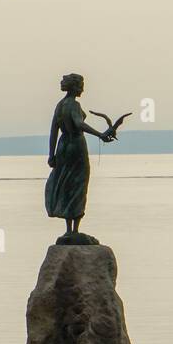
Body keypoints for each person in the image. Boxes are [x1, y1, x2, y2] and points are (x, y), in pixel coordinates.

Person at [45, 73, 116, 236]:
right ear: (75, 87)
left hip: (63, 147)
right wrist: (100, 134)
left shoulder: (59, 105)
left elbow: (53, 131)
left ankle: (69, 230)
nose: (83, 89)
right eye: (81, 85)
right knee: (78, 186)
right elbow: (79, 123)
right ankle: (75, 231)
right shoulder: (74, 105)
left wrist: (51, 154)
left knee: (66, 185)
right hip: (76, 145)